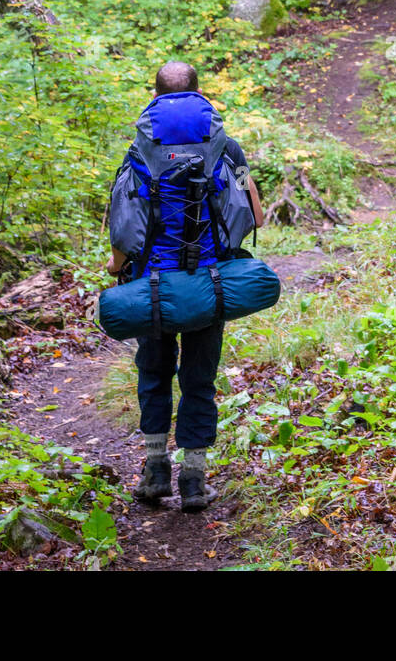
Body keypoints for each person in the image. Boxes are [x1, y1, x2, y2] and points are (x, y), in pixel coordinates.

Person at [106, 59, 264, 511]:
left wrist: (117, 268)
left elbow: (123, 226)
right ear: (199, 94)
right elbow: (255, 217)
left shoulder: (137, 151)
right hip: (208, 285)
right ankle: (194, 480)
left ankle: (156, 472)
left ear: (154, 97)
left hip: (151, 288)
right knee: (199, 380)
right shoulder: (226, 148)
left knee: (153, 373)